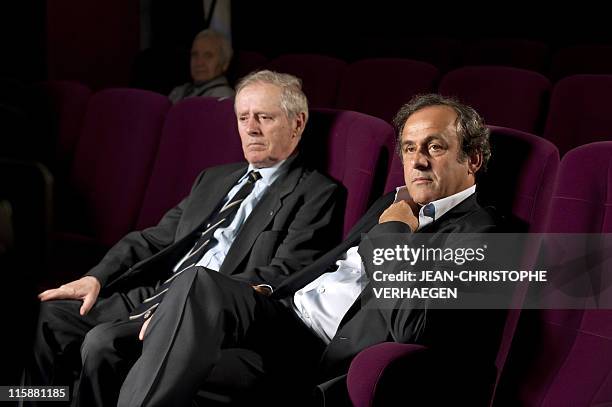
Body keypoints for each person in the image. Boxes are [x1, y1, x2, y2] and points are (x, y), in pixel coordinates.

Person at [114, 93, 505, 407]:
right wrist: (265, 293)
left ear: (472, 159)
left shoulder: (483, 232)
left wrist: (394, 231)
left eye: (434, 147)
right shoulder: (393, 200)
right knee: (118, 343)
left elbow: (414, 325)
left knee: (173, 333)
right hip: (285, 319)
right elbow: (331, 265)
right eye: (408, 148)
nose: (416, 161)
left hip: (321, 354)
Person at [25, 70, 345, 407]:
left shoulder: (317, 192)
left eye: (264, 117)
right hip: (153, 292)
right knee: (50, 317)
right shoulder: (214, 178)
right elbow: (153, 239)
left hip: (202, 312)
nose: (251, 128)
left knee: (104, 343)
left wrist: (180, 312)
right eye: (243, 117)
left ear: (297, 123)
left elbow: (288, 271)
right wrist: (96, 277)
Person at [168, 29, 235, 103]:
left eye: (208, 56)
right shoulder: (179, 91)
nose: (199, 62)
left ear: (225, 63)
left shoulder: (223, 98)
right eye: (195, 54)